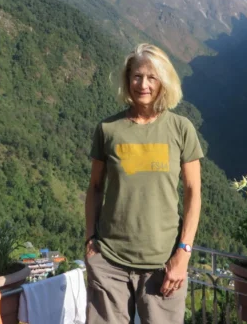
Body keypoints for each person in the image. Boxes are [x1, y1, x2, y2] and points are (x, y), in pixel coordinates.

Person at [85, 43, 203, 324]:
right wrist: (90, 239)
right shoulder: (108, 129)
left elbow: (193, 192)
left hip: (163, 266)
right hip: (109, 262)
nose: (143, 84)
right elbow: (95, 188)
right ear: (128, 80)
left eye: (152, 77)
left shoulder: (180, 128)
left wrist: (183, 253)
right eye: (137, 76)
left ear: (164, 81)